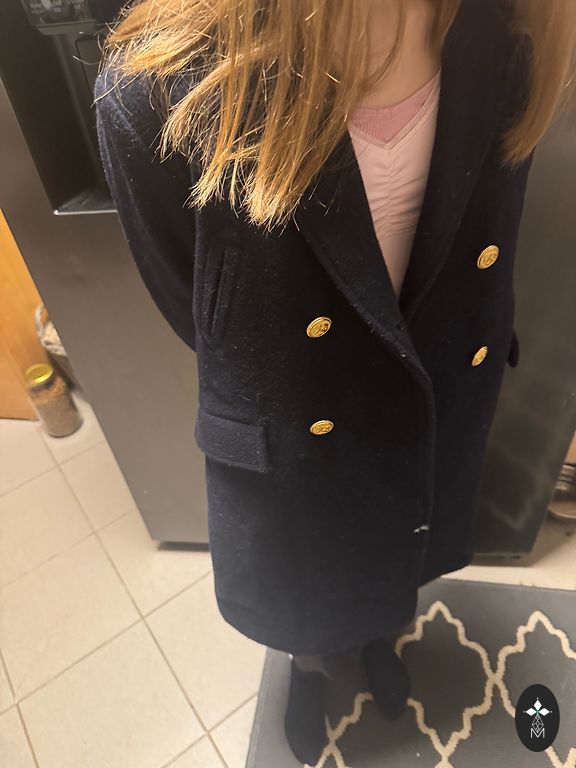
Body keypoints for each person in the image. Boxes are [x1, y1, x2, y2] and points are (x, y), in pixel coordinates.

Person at [93, 0, 576, 763]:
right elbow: (198, 306)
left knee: (396, 558)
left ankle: (377, 640)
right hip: (298, 419)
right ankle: (309, 668)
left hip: (430, 392)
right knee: (308, 594)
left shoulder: (510, 29)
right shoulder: (163, 85)